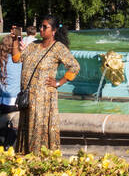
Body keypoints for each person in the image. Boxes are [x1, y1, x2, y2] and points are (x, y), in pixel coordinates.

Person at [15, 15, 80, 154]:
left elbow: (74, 66)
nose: (41, 29)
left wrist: (58, 82)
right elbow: (16, 58)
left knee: (38, 128)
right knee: (27, 128)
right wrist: (15, 39)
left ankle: (39, 158)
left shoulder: (58, 48)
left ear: (54, 30)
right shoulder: (33, 45)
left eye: (45, 27)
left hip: (43, 99)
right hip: (27, 97)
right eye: (41, 26)